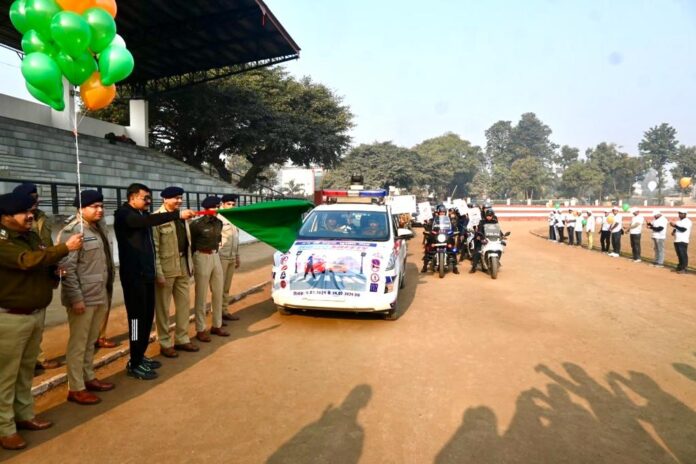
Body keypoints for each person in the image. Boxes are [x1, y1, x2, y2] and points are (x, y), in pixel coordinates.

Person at [0, 192, 82, 450]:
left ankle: (24, 415)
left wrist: (54, 271)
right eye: (23, 212)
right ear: (5, 217)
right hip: (10, 317)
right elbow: (26, 261)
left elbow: (41, 259)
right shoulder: (3, 241)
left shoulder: (31, 235)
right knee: (6, 376)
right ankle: (5, 428)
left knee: (26, 371)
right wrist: (64, 248)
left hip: (34, 313)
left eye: (30, 211)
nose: (30, 215)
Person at [114, 183, 196, 380]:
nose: (148, 202)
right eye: (145, 198)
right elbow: (146, 221)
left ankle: (140, 355)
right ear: (132, 197)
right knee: (136, 321)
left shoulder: (141, 214)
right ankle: (134, 363)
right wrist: (177, 215)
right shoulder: (124, 214)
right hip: (134, 278)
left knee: (146, 319)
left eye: (149, 198)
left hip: (147, 275)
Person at [57, 190, 116, 405]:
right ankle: (76, 387)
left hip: (99, 293)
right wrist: (76, 298)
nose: (100, 210)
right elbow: (67, 269)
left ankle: (89, 376)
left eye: (101, 206)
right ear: (81, 208)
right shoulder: (73, 231)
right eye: (94, 206)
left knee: (91, 341)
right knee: (78, 344)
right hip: (83, 297)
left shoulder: (98, 228)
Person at [13, 183, 61, 371]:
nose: (36, 200)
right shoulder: (16, 221)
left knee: (39, 319)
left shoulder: (42, 218)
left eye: (36, 196)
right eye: (32, 197)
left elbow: (47, 245)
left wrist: (54, 269)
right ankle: (29, 361)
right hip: (24, 276)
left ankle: (35, 358)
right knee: (24, 323)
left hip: (43, 271)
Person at [152, 187, 199, 359]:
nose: (179, 201)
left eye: (180, 198)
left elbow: (187, 243)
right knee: (163, 308)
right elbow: (155, 249)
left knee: (184, 305)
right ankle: (165, 343)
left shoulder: (182, 217)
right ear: (165, 199)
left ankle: (182, 338)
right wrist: (159, 273)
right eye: (175, 198)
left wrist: (190, 265)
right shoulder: (156, 218)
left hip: (183, 265)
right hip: (166, 268)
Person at [190, 196, 228, 342]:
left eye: (218, 206)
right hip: (201, 256)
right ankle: (200, 329)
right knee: (201, 294)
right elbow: (191, 244)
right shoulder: (196, 224)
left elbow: (218, 241)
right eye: (215, 206)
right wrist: (192, 262)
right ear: (207, 208)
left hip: (215, 256)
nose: (218, 209)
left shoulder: (219, 223)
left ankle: (217, 325)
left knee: (218, 292)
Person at [218, 194, 241, 322]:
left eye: (233, 204)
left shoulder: (234, 217)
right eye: (229, 204)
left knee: (226, 287)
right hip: (221, 256)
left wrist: (237, 256)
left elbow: (236, 238)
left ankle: (224, 311)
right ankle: (217, 315)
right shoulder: (218, 217)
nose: (231, 206)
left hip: (232, 256)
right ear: (222, 204)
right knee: (218, 287)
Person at [469, 209, 499, 274]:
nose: (489, 217)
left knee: (497, 248)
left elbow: (498, 230)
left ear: (492, 216)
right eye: (488, 216)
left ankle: (496, 261)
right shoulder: (482, 222)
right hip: (483, 239)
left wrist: (502, 235)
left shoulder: (495, 222)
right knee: (478, 252)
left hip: (492, 239)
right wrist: (480, 237)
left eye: (490, 216)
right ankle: (474, 267)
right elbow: (479, 230)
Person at [669, 209, 692, 274]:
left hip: (683, 240)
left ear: (685, 214)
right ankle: (679, 267)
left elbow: (683, 229)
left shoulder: (688, 221)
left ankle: (684, 269)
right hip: (677, 240)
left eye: (681, 213)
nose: (679, 215)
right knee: (679, 255)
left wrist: (674, 225)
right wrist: (673, 231)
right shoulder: (679, 221)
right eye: (679, 213)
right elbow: (675, 228)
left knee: (683, 255)